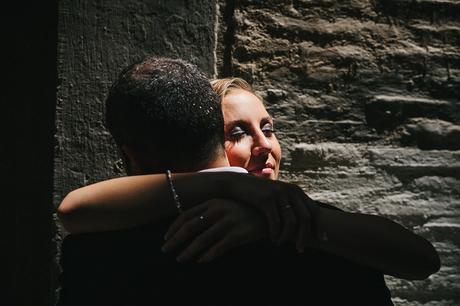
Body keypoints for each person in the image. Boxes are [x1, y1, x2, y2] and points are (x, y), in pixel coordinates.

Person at [57, 57, 438, 305]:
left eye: (268, 128)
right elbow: (74, 209)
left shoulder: (307, 219)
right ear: (209, 139)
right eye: (238, 132)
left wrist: (275, 221)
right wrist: (231, 184)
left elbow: (420, 259)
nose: (263, 145)